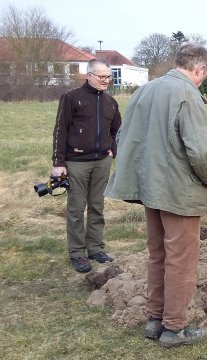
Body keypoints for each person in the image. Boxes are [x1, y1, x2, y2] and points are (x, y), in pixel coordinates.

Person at [105, 43, 207, 348]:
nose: (203, 80)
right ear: (198, 69)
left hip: (150, 189)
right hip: (178, 191)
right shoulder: (187, 95)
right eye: (204, 75)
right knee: (181, 260)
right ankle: (174, 329)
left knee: (158, 254)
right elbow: (200, 149)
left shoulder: (146, 90)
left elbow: (124, 135)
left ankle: (155, 320)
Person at [51, 58, 121, 273]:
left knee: (97, 206)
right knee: (76, 208)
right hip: (76, 163)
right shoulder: (72, 98)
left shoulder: (111, 102)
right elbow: (60, 130)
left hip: (102, 162)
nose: (106, 80)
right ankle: (77, 253)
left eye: (108, 77)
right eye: (101, 76)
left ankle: (95, 248)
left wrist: (113, 150)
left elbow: (118, 130)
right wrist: (58, 163)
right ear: (88, 75)